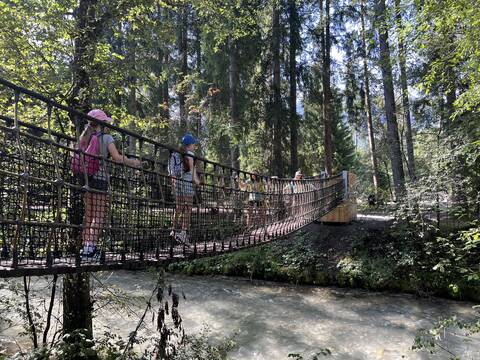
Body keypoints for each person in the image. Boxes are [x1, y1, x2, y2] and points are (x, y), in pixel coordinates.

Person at [74, 109, 140, 257]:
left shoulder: (84, 137)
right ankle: (90, 249)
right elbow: (117, 157)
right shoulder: (106, 137)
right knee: (98, 215)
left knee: (89, 215)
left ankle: (85, 248)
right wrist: (133, 162)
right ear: (102, 123)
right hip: (100, 178)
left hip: (85, 178)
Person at [169, 134, 200, 245]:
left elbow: (172, 170)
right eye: (194, 144)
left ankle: (173, 230)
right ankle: (183, 233)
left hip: (177, 182)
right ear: (190, 144)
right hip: (187, 183)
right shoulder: (190, 154)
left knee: (179, 207)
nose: (194, 146)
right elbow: (192, 171)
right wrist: (197, 182)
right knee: (188, 208)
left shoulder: (176, 154)